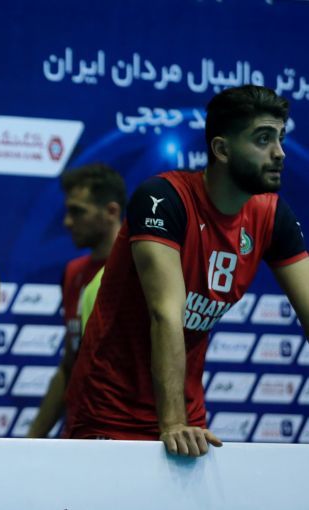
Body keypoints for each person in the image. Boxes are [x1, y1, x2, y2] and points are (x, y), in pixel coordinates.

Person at [65, 85, 309, 456]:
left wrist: (180, 422)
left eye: (280, 138)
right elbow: (166, 314)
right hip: (109, 412)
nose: (279, 152)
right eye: (263, 139)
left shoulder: (272, 216)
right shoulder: (163, 199)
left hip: (188, 416)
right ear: (222, 149)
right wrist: (173, 423)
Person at [27, 164, 124, 438]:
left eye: (78, 211)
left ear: (111, 212)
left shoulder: (138, 272)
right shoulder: (74, 273)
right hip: (78, 433)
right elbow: (71, 364)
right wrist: (31, 441)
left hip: (123, 434)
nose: (68, 222)